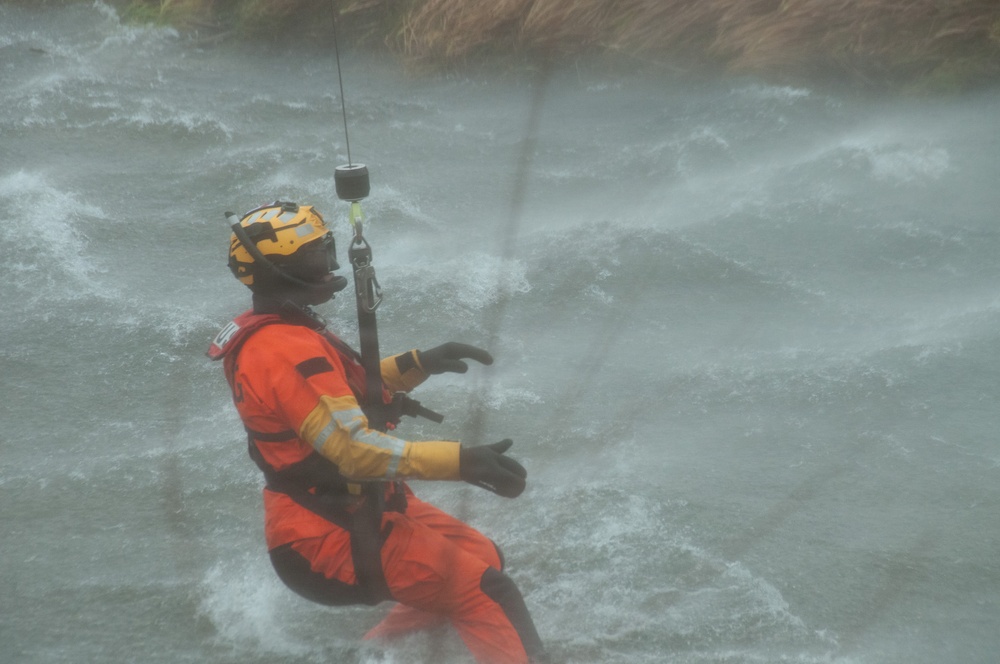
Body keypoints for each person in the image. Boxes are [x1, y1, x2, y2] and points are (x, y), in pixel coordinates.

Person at [208, 201, 546, 664]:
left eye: (327, 250)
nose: (329, 265)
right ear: (277, 270)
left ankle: (379, 648)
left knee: (483, 557)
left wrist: (418, 364)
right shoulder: (280, 350)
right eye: (315, 255)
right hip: (324, 534)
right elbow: (353, 450)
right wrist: (461, 461)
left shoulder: (287, 330)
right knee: (489, 591)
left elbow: (341, 395)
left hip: (354, 507)